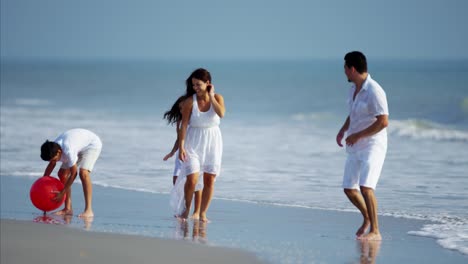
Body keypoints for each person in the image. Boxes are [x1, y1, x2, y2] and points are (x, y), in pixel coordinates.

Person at [336, 51, 389, 241]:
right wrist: (343, 130)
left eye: (344, 68)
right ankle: (367, 218)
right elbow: (353, 114)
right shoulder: (353, 90)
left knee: (366, 187)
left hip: (373, 144)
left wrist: (358, 134)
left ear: (352, 68)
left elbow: (383, 121)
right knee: (349, 188)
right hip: (355, 144)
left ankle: (376, 230)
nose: (343, 72)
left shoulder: (375, 90)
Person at [177, 68, 225, 222]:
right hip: (193, 142)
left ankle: (203, 213)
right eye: (193, 85)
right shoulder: (190, 102)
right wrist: (181, 146)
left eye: (198, 85)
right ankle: (186, 210)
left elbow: (221, 113)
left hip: (213, 142)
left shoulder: (217, 97)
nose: (195, 88)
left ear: (208, 83)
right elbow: (184, 125)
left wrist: (211, 96)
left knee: (209, 179)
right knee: (192, 178)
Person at [40, 128, 102, 218]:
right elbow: (51, 165)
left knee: (83, 173)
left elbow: (74, 174)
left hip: (91, 145)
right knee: (62, 174)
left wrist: (62, 192)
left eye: (54, 159)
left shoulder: (68, 150)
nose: (53, 162)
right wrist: (42, 184)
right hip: (78, 145)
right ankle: (67, 209)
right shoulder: (53, 148)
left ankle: (89, 210)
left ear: (59, 152)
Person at [164, 95, 202, 217]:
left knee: (196, 183)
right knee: (176, 181)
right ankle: (182, 208)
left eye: (184, 107)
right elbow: (179, 139)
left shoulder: (195, 120)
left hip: (193, 153)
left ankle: (196, 211)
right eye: (180, 108)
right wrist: (172, 152)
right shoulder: (180, 122)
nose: (182, 110)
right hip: (181, 154)